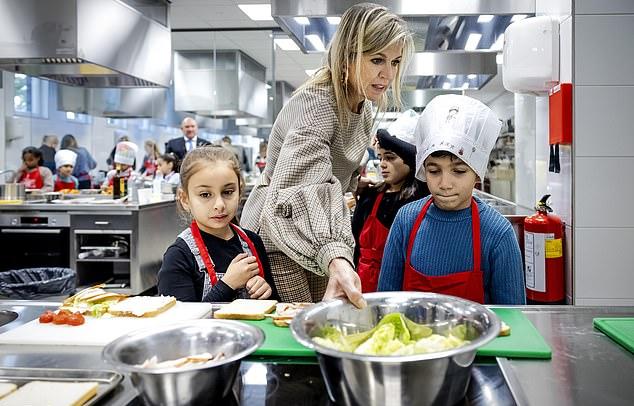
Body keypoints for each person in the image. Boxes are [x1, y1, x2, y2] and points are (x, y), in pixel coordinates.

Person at [241, 3, 413, 306]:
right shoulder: (319, 105)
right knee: (303, 328)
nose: (387, 74)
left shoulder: (361, 105)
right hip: (277, 235)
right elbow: (301, 191)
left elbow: (333, 176)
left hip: (310, 233)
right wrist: (335, 256)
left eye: (395, 62)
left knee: (326, 316)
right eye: (377, 60)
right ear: (347, 56)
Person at [377, 94, 526, 305]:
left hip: (479, 339)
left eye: (458, 171)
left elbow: (513, 317)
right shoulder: (406, 220)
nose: (445, 183)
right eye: (434, 171)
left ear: (476, 173)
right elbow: (386, 302)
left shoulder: (497, 232)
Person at [158, 146, 278, 302]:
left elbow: (275, 305)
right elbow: (183, 322)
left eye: (228, 192)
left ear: (239, 191)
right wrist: (228, 284)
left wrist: (265, 291)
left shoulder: (253, 242)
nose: (219, 204)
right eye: (205, 195)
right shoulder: (178, 256)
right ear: (185, 199)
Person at [351, 126, 429, 293]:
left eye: (390, 157)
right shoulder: (370, 197)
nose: (383, 165)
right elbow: (354, 246)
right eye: (380, 158)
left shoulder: (419, 201)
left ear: (410, 160)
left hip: (397, 287)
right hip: (361, 284)